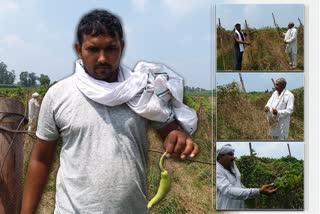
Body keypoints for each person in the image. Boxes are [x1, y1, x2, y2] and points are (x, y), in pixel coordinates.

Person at [21, 9, 199, 214]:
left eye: (111, 48)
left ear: (121, 47)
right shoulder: (58, 95)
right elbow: (41, 158)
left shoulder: (142, 91)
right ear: (79, 49)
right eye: (93, 49)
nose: (103, 58)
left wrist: (178, 139)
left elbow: (171, 132)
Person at [216, 144, 277, 210]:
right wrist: (258, 191)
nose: (233, 157)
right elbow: (228, 190)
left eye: (233, 155)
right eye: (230, 154)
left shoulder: (232, 166)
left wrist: (254, 193)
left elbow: (238, 184)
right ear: (220, 156)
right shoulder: (217, 171)